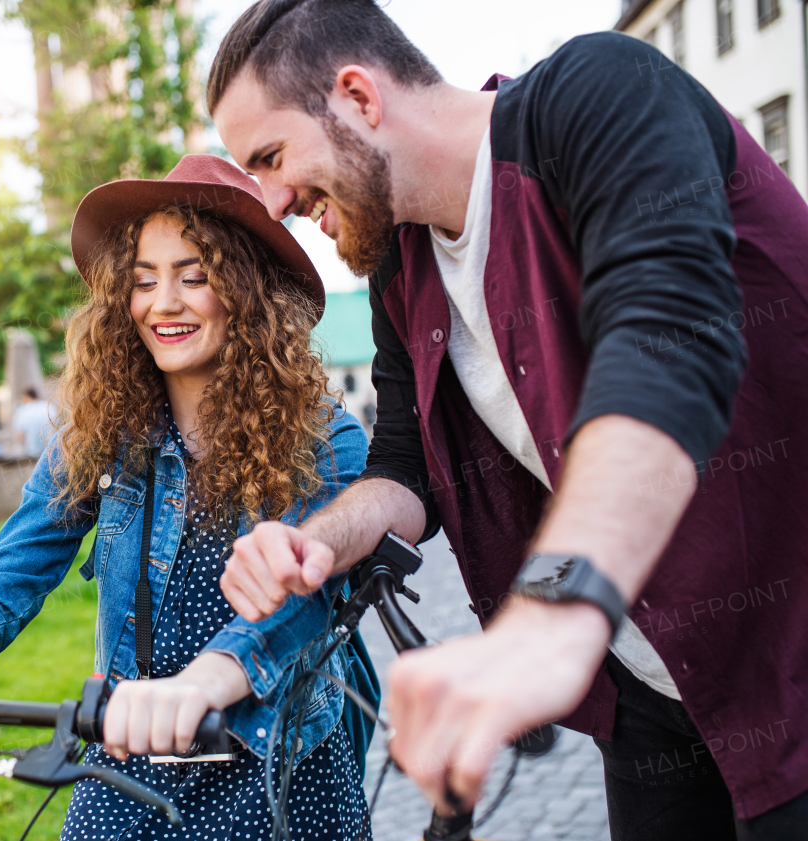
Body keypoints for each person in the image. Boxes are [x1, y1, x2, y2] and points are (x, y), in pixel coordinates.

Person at [207, 2, 808, 837]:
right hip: (649, 692)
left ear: (358, 97)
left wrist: (550, 620)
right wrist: (325, 538)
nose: (271, 204)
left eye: (270, 158)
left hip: (784, 660)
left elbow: (669, 343)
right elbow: (403, 462)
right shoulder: (398, 265)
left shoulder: (599, 93)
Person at [0, 155, 377, 839]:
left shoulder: (325, 438)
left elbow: (303, 598)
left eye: (195, 275)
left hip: (277, 768)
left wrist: (201, 681)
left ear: (251, 290)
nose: (163, 302)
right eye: (143, 280)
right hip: (127, 767)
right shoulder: (101, 433)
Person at [10, 387, 53, 458]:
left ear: (26, 397)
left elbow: (20, 435)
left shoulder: (22, 410)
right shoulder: (49, 406)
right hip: (50, 450)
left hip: (32, 453)